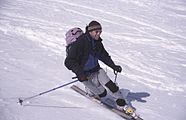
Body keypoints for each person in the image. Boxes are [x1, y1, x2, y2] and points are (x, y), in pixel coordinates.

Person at [65, 20, 133, 113]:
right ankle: (91, 91)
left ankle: (121, 104)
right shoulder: (80, 43)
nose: (98, 34)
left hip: (96, 70)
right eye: (96, 32)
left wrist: (113, 66)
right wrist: (80, 73)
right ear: (90, 31)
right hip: (85, 75)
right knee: (102, 93)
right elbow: (69, 61)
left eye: (100, 32)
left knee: (111, 86)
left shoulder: (97, 42)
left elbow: (104, 56)